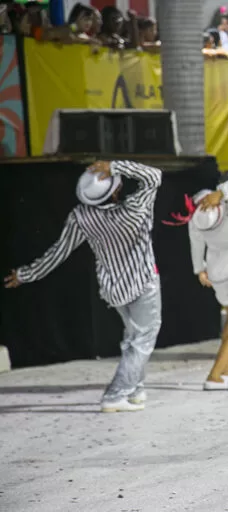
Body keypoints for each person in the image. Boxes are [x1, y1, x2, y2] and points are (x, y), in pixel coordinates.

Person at [4, 161, 162, 412]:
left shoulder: (82, 216)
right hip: (143, 283)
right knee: (142, 339)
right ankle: (116, 394)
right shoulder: (136, 208)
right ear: (115, 192)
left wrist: (25, 274)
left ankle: (135, 389)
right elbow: (154, 175)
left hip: (113, 289)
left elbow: (58, 253)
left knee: (133, 337)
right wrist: (115, 166)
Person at [165, 172, 228, 390]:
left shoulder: (197, 221)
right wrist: (222, 192)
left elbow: (196, 245)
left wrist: (199, 269)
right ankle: (214, 376)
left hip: (218, 276)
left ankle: (227, 371)